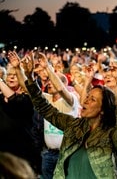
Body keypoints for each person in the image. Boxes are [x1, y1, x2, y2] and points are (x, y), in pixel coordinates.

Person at [20, 52, 117, 178]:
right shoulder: (73, 125)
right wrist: (30, 78)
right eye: (87, 97)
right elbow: (45, 108)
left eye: (93, 100)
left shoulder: (110, 133)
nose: (85, 100)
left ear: (102, 109)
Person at [10, 51, 81, 179]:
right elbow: (27, 88)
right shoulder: (47, 98)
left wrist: (47, 67)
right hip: (48, 153)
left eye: (52, 80)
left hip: (67, 154)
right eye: (48, 81)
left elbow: (60, 89)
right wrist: (18, 69)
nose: (48, 83)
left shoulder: (71, 100)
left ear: (64, 84)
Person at [0, 52, 41, 174]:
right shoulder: (1, 96)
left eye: (15, 75)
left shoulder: (27, 99)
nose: (11, 77)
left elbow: (15, 102)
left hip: (22, 152)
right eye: (9, 75)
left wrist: (18, 69)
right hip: (3, 152)